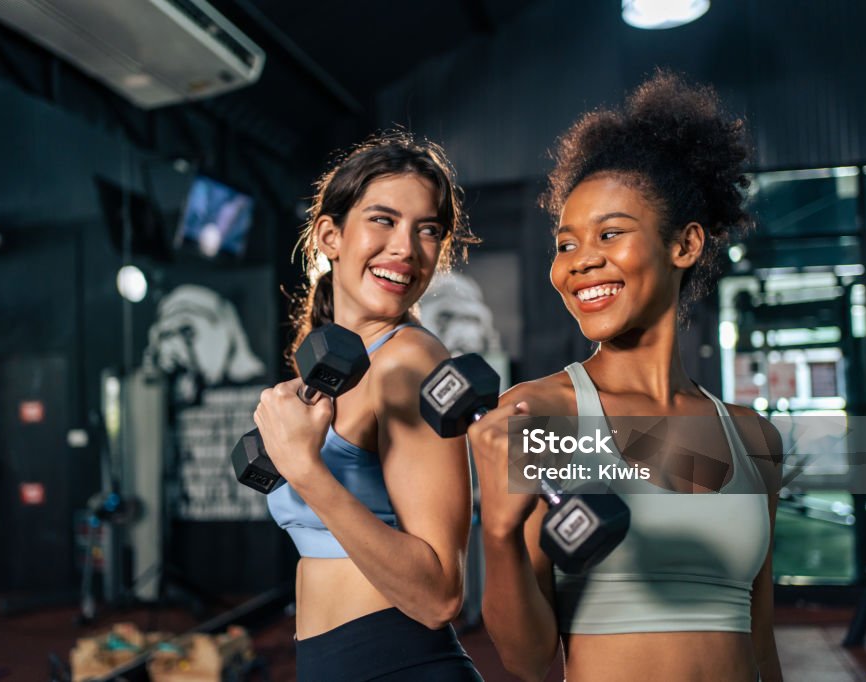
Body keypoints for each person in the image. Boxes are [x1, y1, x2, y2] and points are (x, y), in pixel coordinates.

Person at [468, 70, 784, 682]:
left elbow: (762, 640)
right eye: (564, 244)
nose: (580, 261)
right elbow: (529, 661)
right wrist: (501, 534)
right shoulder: (543, 416)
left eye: (610, 233)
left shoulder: (754, 440)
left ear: (685, 244)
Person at [251, 132, 484, 681]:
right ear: (331, 235)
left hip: (399, 662)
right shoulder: (333, 363)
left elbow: (440, 595)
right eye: (383, 219)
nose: (405, 247)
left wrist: (305, 469)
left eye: (427, 229)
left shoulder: (411, 361)